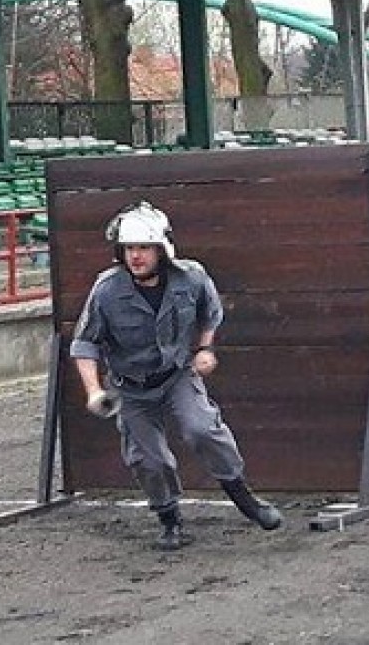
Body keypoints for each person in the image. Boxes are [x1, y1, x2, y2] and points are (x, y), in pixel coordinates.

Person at [70, 200, 283, 551]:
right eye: (128, 248)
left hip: (176, 375)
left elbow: (211, 314)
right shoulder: (106, 289)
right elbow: (85, 343)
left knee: (202, 429)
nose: (135, 256)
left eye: (143, 248)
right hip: (130, 386)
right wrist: (93, 391)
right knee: (148, 459)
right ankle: (169, 519)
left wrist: (204, 349)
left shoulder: (192, 277)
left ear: (161, 249)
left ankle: (246, 500)